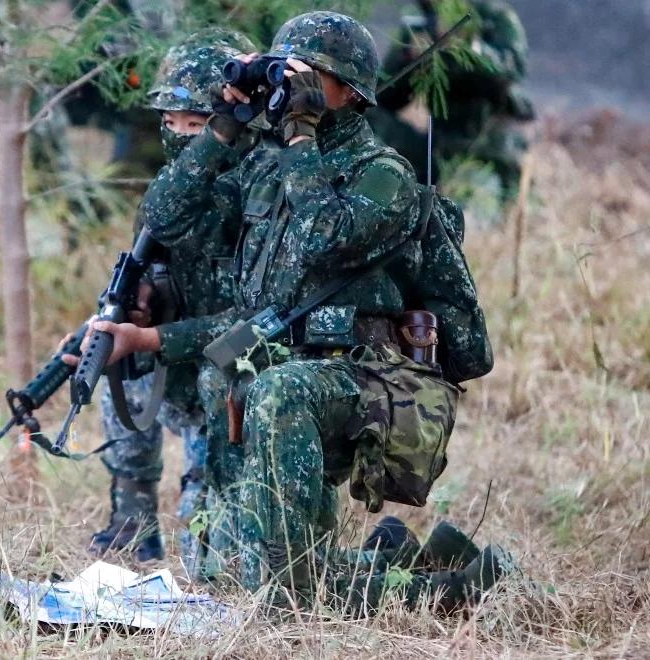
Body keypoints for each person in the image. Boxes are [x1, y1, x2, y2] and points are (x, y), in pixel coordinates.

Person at [70, 12, 508, 610]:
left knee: (283, 575)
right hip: (279, 366)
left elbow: (322, 236)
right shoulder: (270, 172)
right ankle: (403, 561)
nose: (290, 83)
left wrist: (300, 134)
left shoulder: (383, 176)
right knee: (222, 564)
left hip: (362, 374)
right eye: (283, 70)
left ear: (350, 92)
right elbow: (168, 223)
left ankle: (444, 593)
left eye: (309, 74)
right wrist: (222, 128)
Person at [87, 28, 261, 563]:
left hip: (237, 367)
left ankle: (206, 502)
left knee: (204, 554)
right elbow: (159, 231)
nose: (184, 135)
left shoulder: (260, 186)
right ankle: (131, 519)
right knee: (115, 360)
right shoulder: (173, 188)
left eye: (200, 123)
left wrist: (154, 335)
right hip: (177, 354)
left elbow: (253, 321)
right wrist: (139, 311)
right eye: (172, 123)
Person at [368, 0, 534, 202]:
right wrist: (410, 59)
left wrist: (469, 48)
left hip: (489, 151)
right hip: (438, 149)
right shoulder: (421, 27)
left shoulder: (493, 16)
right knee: (364, 116)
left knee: (471, 214)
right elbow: (385, 98)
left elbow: (512, 70)